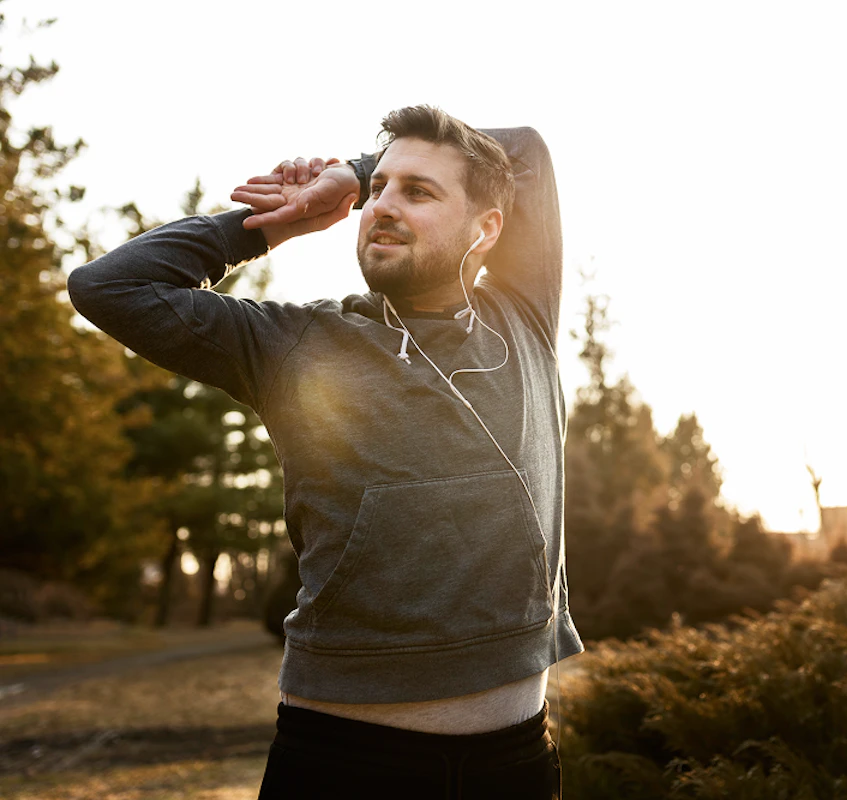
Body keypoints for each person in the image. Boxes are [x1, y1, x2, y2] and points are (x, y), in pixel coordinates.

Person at [68, 106, 583, 799]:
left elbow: (526, 149)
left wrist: (353, 169)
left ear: (487, 227)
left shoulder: (523, 316)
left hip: (517, 765)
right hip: (347, 763)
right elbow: (109, 287)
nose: (383, 207)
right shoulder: (295, 344)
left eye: (418, 191)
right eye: (379, 191)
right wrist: (277, 225)